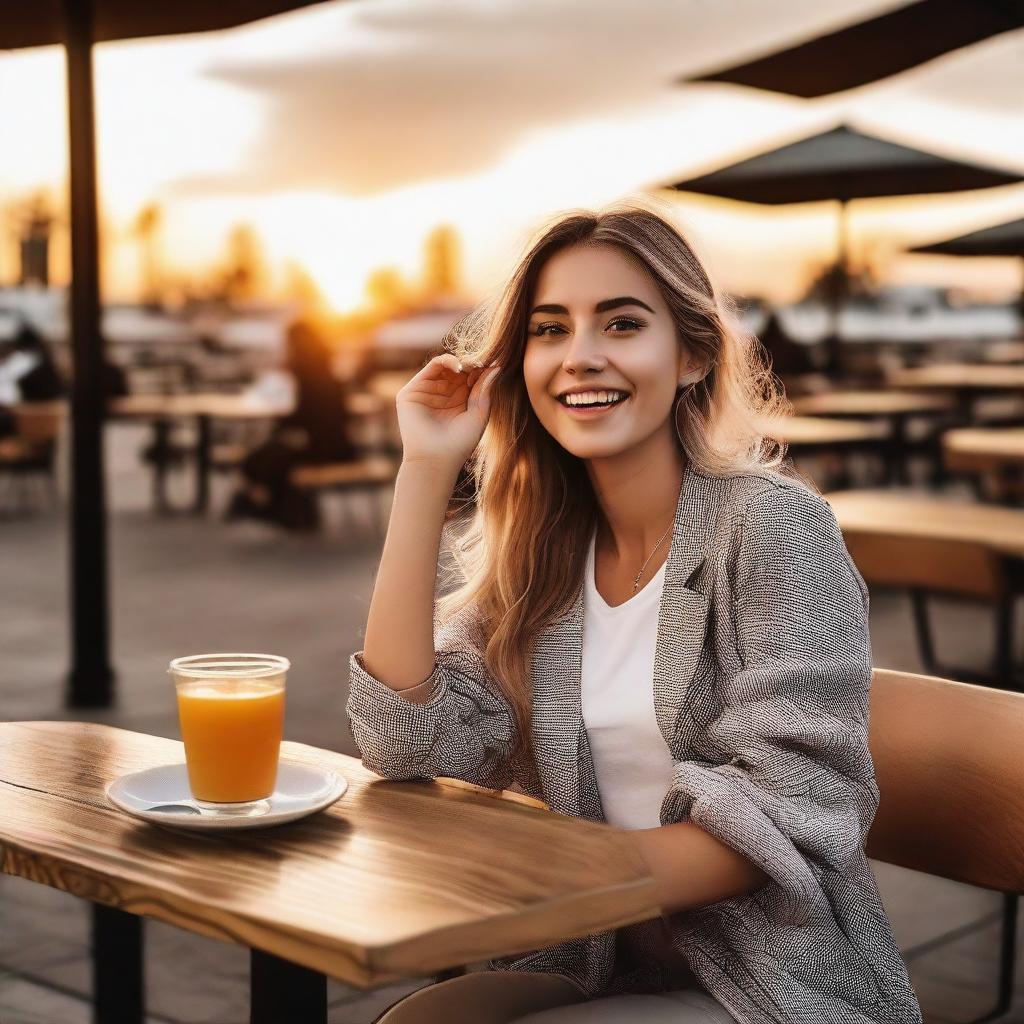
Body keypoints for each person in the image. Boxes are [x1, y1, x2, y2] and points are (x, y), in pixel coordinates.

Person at [347, 204, 923, 1023]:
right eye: (550, 329)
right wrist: (426, 467)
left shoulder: (773, 529)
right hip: (590, 957)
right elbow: (405, 741)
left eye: (621, 324)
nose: (581, 356)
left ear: (690, 355)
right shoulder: (540, 554)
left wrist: (560, 884)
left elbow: (792, 802)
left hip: (764, 980)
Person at [227, 318, 358, 530]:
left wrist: (288, 430)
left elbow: (316, 419)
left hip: (327, 448)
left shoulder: (313, 377)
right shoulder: (320, 372)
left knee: (264, 459)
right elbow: (307, 416)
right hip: (329, 445)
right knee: (268, 457)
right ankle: (279, 511)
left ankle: (271, 510)